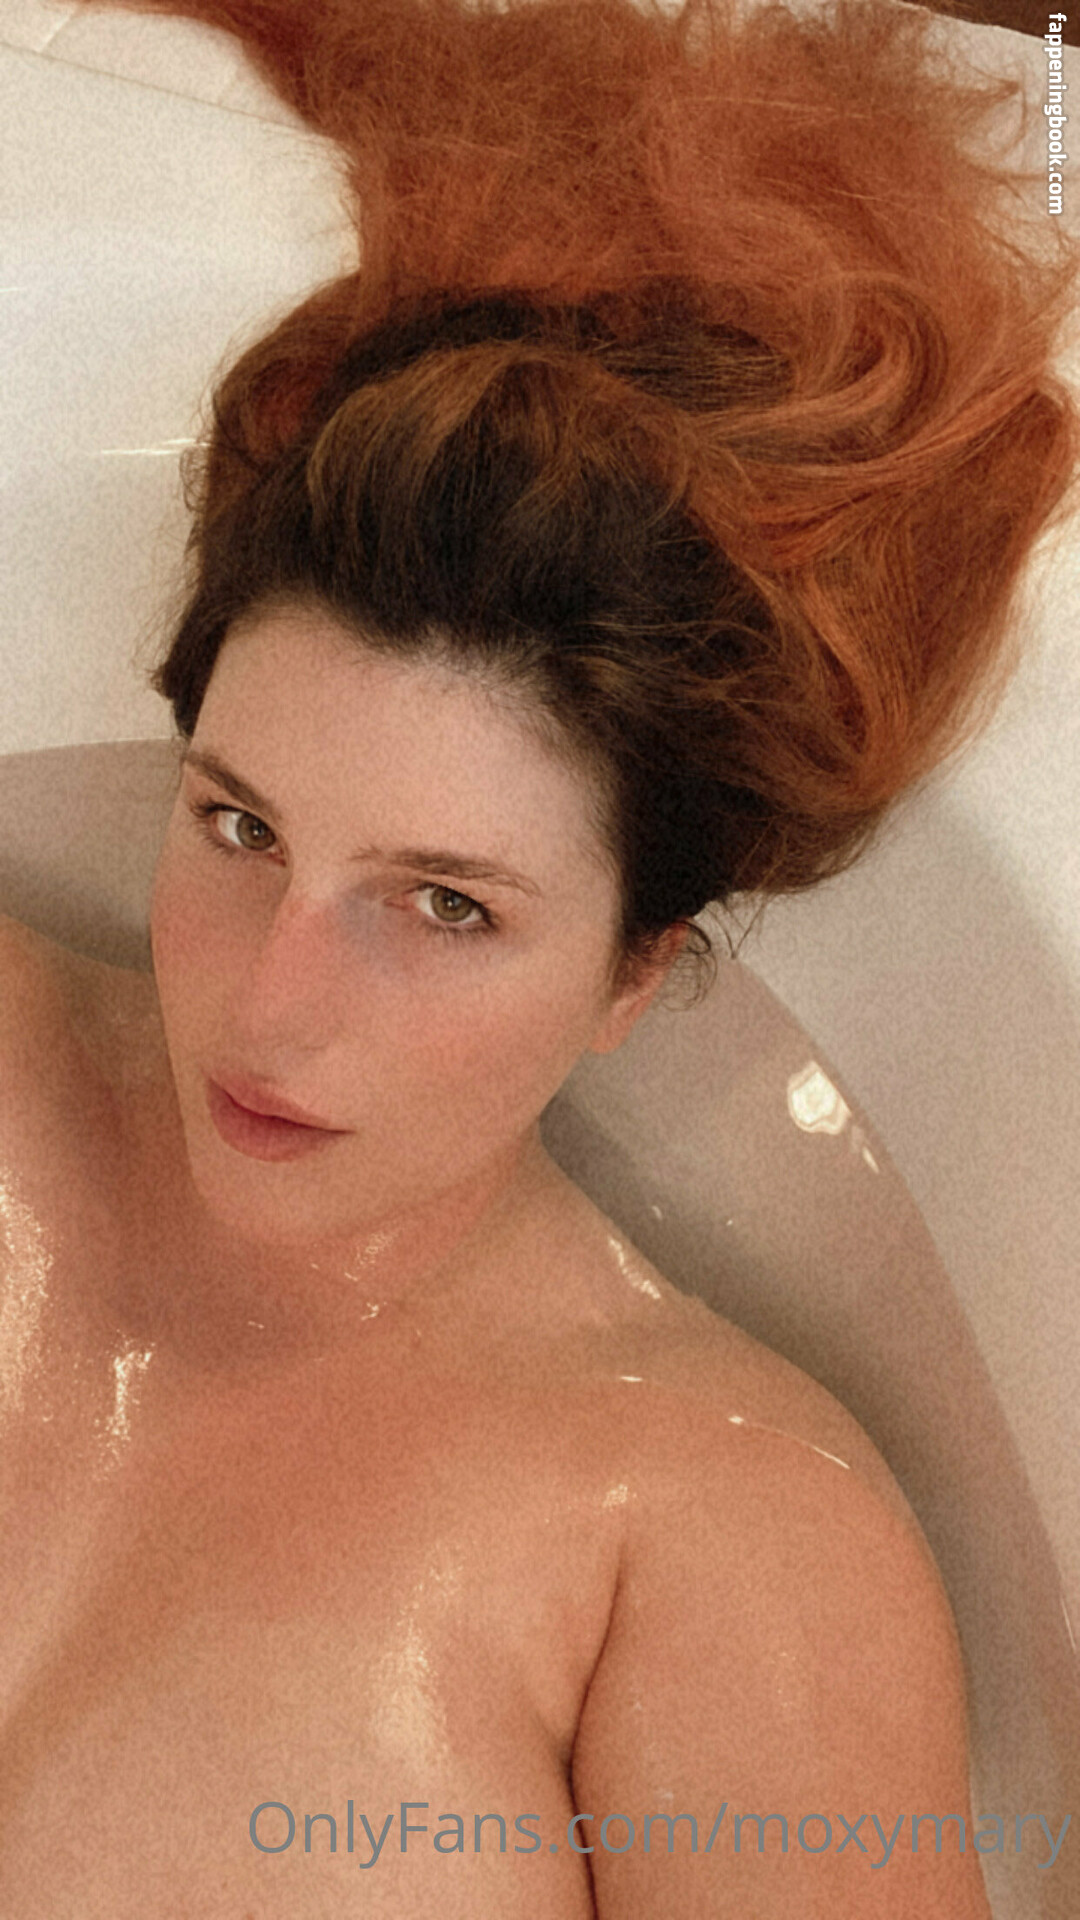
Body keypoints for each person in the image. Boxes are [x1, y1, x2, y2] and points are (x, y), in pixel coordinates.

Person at [2, 0, 1077, 1912]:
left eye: (445, 906)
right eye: (240, 826)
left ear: (634, 976)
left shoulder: (712, 1543)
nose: (266, 1006)